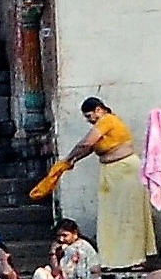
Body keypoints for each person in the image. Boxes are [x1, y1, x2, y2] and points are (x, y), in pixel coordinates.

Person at [53, 96, 152, 258]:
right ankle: (116, 257)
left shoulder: (108, 120)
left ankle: (134, 257)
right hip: (112, 173)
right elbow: (89, 148)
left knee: (127, 215)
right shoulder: (103, 123)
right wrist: (73, 160)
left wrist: (66, 159)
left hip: (124, 171)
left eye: (89, 116)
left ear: (99, 110)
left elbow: (86, 143)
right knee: (112, 218)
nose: (89, 121)